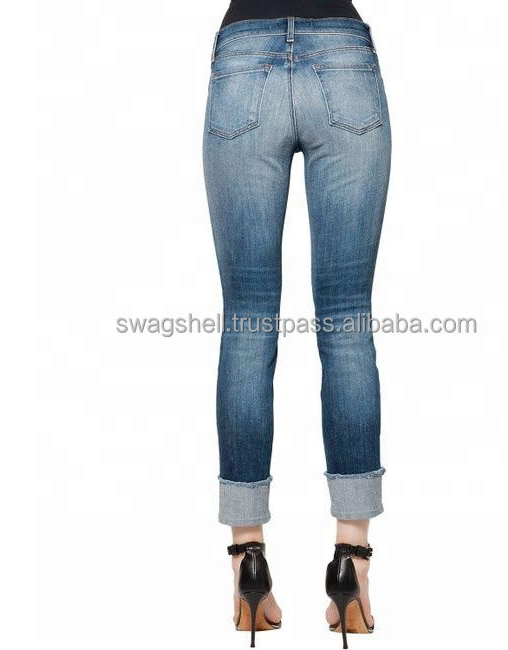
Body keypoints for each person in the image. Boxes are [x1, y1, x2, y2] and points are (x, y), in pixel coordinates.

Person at [202, 2, 391, 646]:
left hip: (243, 63)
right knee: (347, 321)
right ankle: (351, 563)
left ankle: (246, 561)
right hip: (344, 59)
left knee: (247, 320)